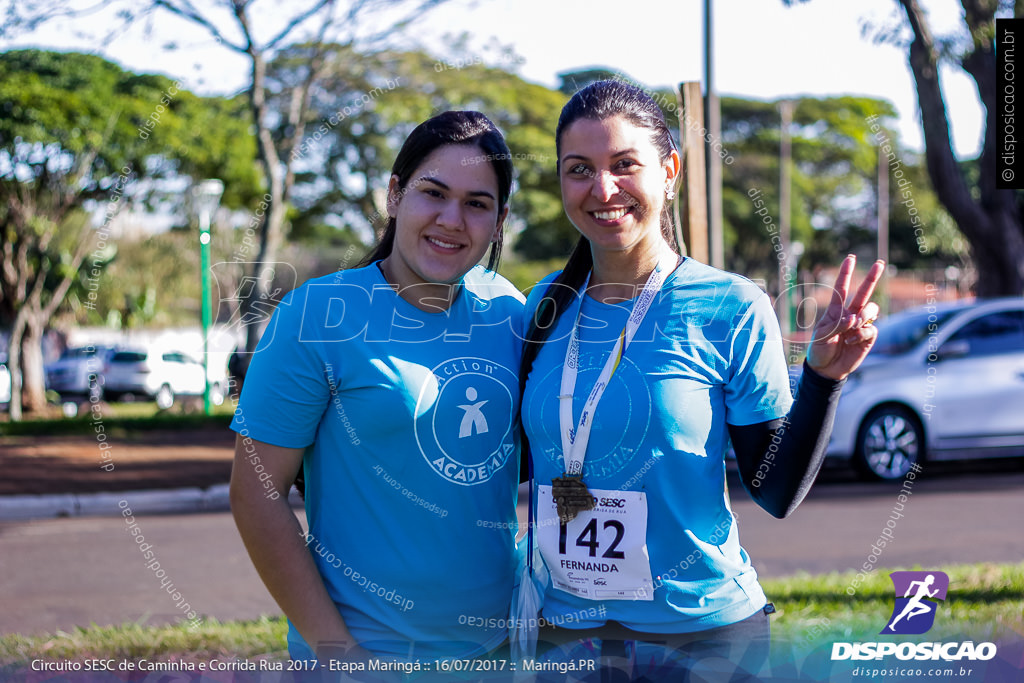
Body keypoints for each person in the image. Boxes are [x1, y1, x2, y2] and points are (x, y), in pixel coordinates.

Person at [519, 80, 884, 680]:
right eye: (578, 169)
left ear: (669, 170)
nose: (602, 189)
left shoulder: (729, 306)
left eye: (624, 165)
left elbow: (775, 491)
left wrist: (822, 379)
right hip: (568, 638)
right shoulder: (541, 309)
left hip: (703, 640)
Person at [229, 111, 524, 666]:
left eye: (477, 204)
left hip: (500, 652)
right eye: (432, 193)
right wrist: (337, 652)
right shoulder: (315, 315)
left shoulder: (509, 309)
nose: (452, 219)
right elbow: (257, 494)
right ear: (394, 195)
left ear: (499, 218)